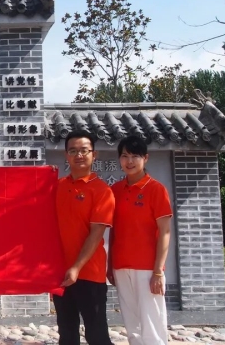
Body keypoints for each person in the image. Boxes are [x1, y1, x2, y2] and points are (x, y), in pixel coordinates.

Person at [107, 135, 172, 345]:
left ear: (145, 158)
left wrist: (158, 271)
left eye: (135, 156)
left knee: (152, 322)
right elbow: (114, 231)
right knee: (131, 323)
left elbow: (165, 232)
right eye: (125, 156)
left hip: (147, 268)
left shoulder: (156, 189)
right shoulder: (115, 190)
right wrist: (110, 266)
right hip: (120, 265)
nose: (129, 161)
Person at [53, 130, 115, 345]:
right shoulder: (57, 187)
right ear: (66, 155)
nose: (78, 155)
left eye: (84, 150)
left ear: (93, 155)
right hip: (61, 273)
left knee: (97, 335)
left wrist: (76, 267)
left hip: (90, 273)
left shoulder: (102, 191)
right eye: (73, 151)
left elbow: (97, 233)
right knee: (67, 333)